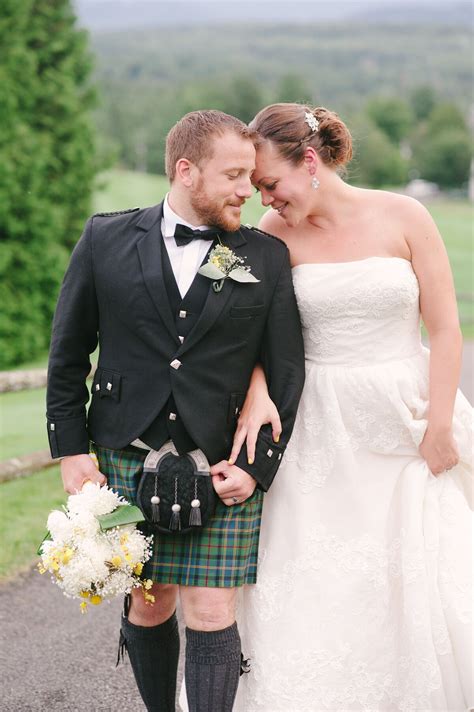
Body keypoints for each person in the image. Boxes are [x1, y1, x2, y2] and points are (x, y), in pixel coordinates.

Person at [46, 109, 305, 712]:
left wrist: (256, 466)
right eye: (234, 175)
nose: (249, 188)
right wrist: (71, 451)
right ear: (186, 171)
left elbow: (287, 369)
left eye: (251, 176)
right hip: (122, 452)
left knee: (212, 607)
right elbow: (67, 355)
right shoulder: (105, 238)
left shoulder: (263, 257)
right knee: (150, 598)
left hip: (220, 457)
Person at [231, 103, 473, 711]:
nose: (266, 198)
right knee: (319, 575)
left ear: (309, 162)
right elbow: (256, 337)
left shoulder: (405, 215)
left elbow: (445, 328)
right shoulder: (269, 238)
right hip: (317, 427)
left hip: (406, 416)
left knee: (421, 571)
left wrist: (439, 426)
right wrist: (259, 390)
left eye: (269, 183)